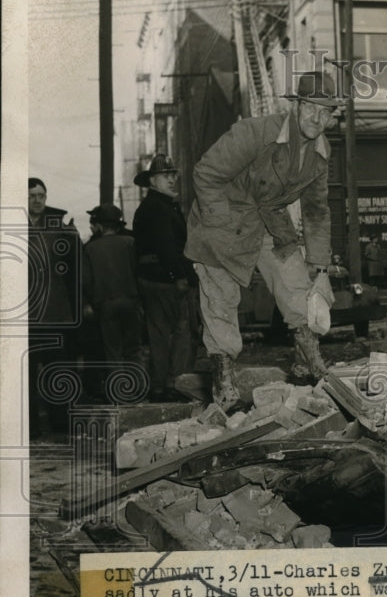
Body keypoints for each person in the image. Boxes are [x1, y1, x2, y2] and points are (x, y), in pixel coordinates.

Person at [185, 71, 338, 409]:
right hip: (223, 220)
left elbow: (316, 211)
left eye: (326, 111)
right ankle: (224, 388)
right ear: (296, 105)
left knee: (298, 287)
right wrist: (221, 227)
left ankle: (306, 366)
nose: (317, 118)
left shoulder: (320, 155)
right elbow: (205, 174)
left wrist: (322, 270)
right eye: (311, 107)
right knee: (221, 302)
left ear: (333, 115)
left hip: (269, 221)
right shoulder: (254, 132)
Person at [132, 155, 196, 402]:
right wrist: (179, 276)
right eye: (165, 176)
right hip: (166, 280)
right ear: (152, 181)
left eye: (173, 175)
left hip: (153, 279)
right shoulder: (159, 209)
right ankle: (176, 383)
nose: (172, 180)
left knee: (159, 334)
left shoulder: (154, 206)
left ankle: (160, 386)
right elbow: (166, 247)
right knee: (180, 333)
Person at [27, 177, 82, 439]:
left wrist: (79, 306)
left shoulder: (59, 229)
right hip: (26, 317)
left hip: (57, 313)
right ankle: (30, 428)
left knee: (58, 371)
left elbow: (75, 269)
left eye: (41, 195)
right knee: (26, 374)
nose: (37, 200)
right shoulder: (13, 227)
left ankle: (61, 427)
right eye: (32, 196)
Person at [81, 204, 142, 392]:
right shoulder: (130, 243)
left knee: (113, 351)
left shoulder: (90, 248)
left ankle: (119, 393)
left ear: (99, 225)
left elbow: (86, 281)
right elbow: (137, 272)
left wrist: (90, 302)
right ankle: (137, 389)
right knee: (133, 349)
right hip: (130, 301)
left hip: (106, 305)